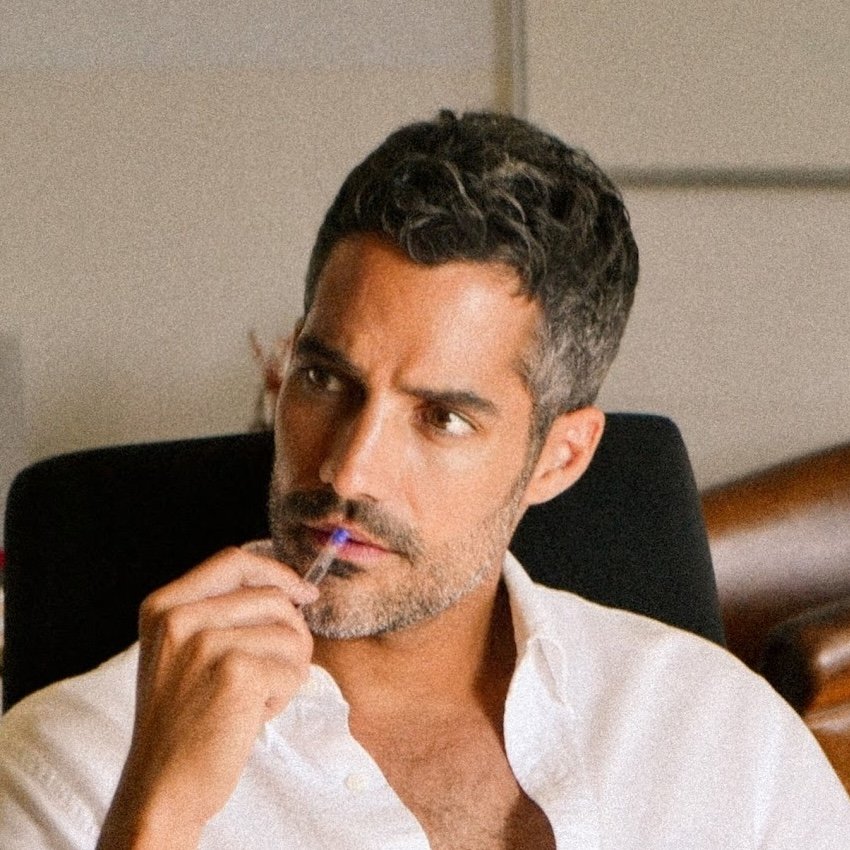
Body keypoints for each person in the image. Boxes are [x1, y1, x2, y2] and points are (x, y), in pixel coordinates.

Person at [1, 110, 848, 849]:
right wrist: (159, 816)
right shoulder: (71, 762)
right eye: (326, 380)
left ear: (561, 457)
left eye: (441, 417)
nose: (347, 467)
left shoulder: (720, 736)